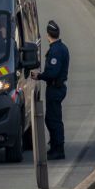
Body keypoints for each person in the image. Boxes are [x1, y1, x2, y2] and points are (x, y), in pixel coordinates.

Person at [31, 20, 69, 161]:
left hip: (55, 87)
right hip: (56, 87)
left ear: (48, 34)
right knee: (52, 118)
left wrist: (39, 76)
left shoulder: (56, 50)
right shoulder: (61, 47)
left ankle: (58, 149)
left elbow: (52, 73)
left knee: (53, 120)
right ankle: (55, 146)